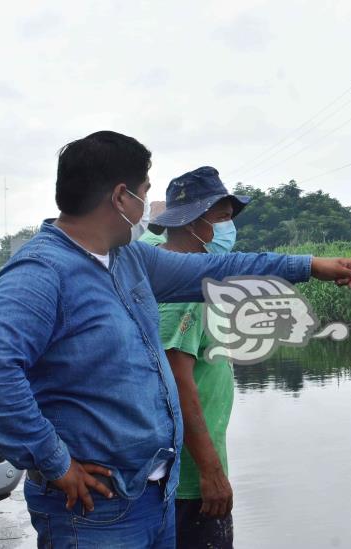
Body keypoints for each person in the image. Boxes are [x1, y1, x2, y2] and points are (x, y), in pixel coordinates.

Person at [0, 131, 351, 548]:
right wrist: (55, 463)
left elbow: (220, 269)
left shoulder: (127, 259)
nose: (146, 207)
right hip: (96, 512)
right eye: (144, 192)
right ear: (120, 197)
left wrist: (309, 265)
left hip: (153, 496)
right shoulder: (42, 272)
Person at [142, 167, 245, 548]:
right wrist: (211, 471)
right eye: (221, 218)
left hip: (187, 472)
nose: (228, 227)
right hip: (187, 480)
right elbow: (177, 382)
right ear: (192, 222)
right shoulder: (182, 290)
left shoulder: (178, 271)